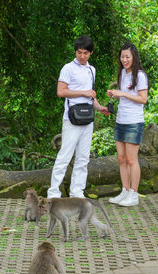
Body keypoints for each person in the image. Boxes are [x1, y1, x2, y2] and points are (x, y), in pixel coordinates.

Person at [47, 36, 110, 199]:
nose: (82, 56)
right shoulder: (68, 68)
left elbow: (91, 95)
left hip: (87, 118)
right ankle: (54, 192)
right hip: (72, 118)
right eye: (79, 52)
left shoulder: (91, 70)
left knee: (83, 157)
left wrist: (99, 107)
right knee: (65, 155)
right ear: (75, 51)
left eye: (85, 53)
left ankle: (77, 191)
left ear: (91, 53)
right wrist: (83, 92)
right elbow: (61, 91)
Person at [107, 42, 148, 207]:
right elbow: (125, 96)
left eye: (127, 56)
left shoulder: (140, 75)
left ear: (134, 57)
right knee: (121, 158)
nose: (124, 59)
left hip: (133, 121)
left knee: (132, 159)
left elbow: (143, 99)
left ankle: (134, 193)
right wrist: (115, 94)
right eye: (122, 56)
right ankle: (124, 190)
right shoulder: (122, 73)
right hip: (120, 120)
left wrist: (123, 93)